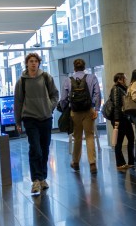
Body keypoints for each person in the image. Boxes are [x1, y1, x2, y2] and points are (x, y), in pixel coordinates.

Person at [14, 52, 60, 196]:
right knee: (36, 149)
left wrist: (50, 106)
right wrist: (18, 121)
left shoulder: (46, 77)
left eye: (35, 61)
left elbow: (55, 95)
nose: (33, 63)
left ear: (39, 63)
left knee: (45, 149)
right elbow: (18, 102)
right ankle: (35, 180)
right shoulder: (22, 81)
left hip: (46, 117)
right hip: (30, 118)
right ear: (26, 64)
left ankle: (42, 178)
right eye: (30, 61)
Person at [60, 58, 101, 174]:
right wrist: (96, 108)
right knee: (89, 136)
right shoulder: (92, 77)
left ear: (74, 68)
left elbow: (63, 98)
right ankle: (92, 163)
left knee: (77, 137)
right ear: (84, 67)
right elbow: (97, 93)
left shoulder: (68, 80)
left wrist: (65, 109)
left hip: (75, 112)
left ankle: (76, 162)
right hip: (89, 110)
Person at [109, 72, 135, 171]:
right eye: (125, 78)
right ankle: (120, 163)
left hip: (125, 118)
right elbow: (116, 105)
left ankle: (131, 162)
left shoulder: (122, 88)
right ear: (119, 79)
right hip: (119, 119)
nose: (126, 80)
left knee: (131, 138)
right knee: (119, 141)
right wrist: (116, 120)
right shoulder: (116, 89)